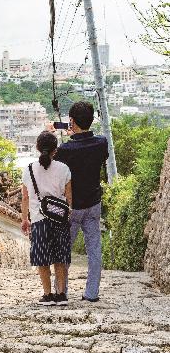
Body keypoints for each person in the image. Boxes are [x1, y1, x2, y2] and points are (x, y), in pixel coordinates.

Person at [50, 101, 109, 302]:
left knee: (64, 251)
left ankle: (62, 290)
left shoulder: (66, 149)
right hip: (93, 203)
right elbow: (97, 153)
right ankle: (91, 293)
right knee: (94, 250)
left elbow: (54, 169)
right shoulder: (102, 142)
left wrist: (66, 137)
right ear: (92, 120)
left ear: (71, 121)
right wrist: (77, 134)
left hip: (71, 206)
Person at [21, 131, 72, 306]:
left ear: (37, 148)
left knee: (42, 258)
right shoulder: (64, 168)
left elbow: (25, 198)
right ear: (55, 150)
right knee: (60, 257)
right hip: (60, 219)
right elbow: (69, 197)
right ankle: (61, 294)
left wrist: (24, 219)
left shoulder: (28, 169)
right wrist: (68, 214)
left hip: (38, 219)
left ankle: (47, 294)